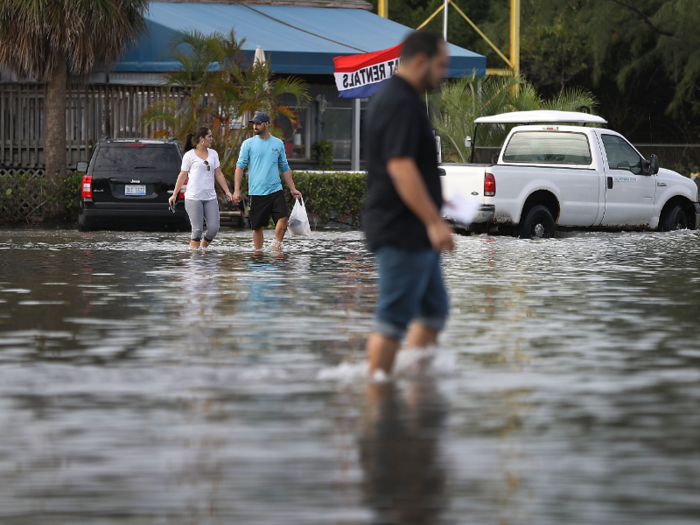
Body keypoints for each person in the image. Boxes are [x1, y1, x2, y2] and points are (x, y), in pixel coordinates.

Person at [363, 30, 455, 377]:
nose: (444, 73)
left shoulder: (402, 98)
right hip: (402, 229)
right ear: (420, 61)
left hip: (413, 229)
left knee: (433, 312)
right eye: (441, 65)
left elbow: (410, 167)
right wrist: (434, 221)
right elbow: (400, 168)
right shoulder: (400, 101)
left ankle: (415, 389)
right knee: (393, 318)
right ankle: (377, 397)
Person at [232, 112, 302, 251]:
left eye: (258, 123)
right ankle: (258, 254)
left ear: (266, 124)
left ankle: (276, 246)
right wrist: (236, 190)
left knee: (283, 218)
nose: (255, 126)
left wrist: (293, 188)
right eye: (254, 124)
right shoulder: (248, 144)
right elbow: (240, 167)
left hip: (276, 190)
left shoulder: (278, 143)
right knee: (257, 227)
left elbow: (284, 167)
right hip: (257, 192)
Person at [170, 127, 233, 250]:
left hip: (210, 197)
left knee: (214, 228)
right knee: (197, 229)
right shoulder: (189, 155)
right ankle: (194, 260)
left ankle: (203, 250)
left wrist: (227, 191)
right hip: (193, 197)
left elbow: (218, 174)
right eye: (209, 136)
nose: (211, 139)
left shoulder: (213, 154)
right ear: (201, 139)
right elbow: (182, 176)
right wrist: (174, 194)